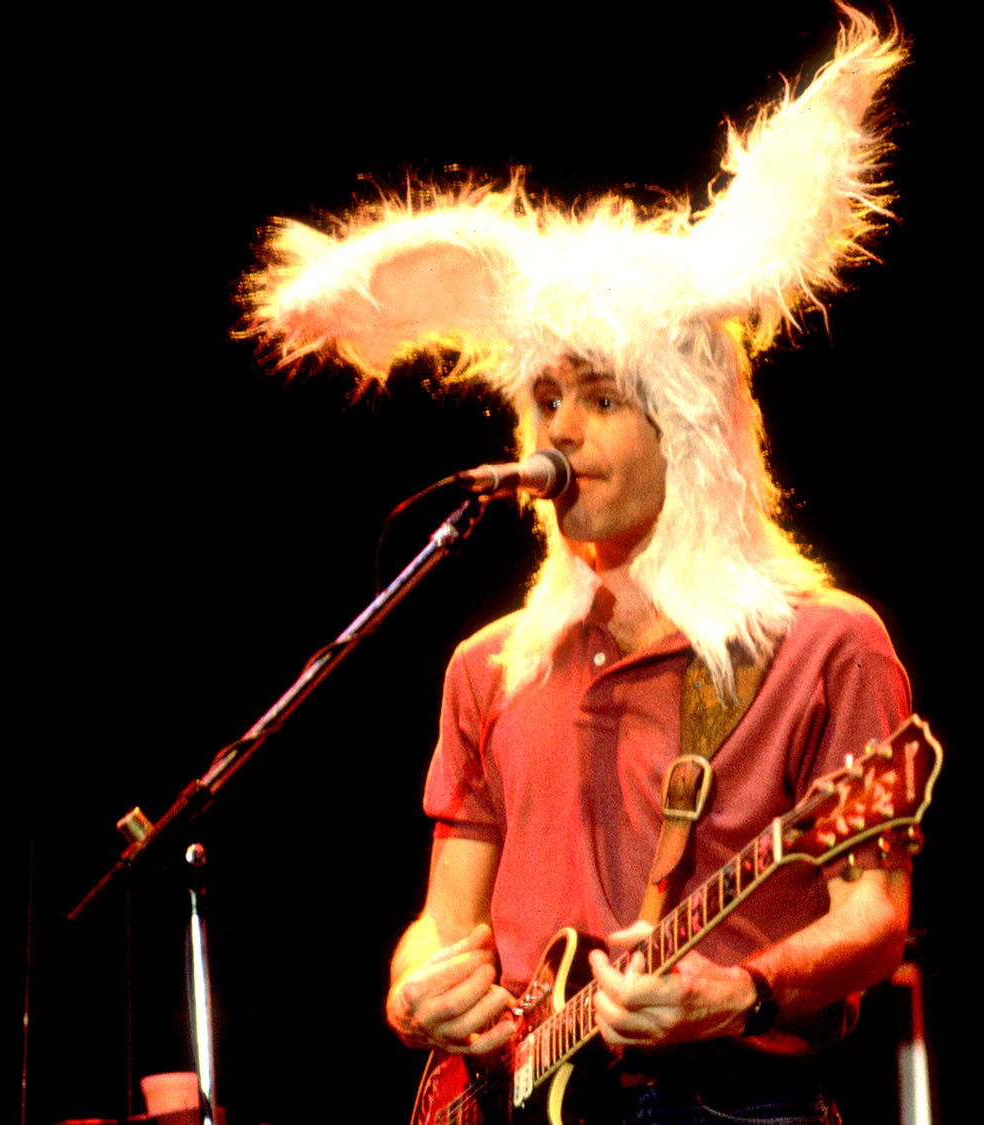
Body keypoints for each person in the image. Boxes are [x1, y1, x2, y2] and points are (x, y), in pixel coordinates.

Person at [241, 11, 911, 1121]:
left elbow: (873, 915)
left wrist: (738, 991)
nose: (562, 432)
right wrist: (418, 995)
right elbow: (443, 920)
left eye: (602, 400)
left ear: (690, 431)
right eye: (546, 399)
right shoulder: (490, 666)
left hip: (735, 1098)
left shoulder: (827, 643)